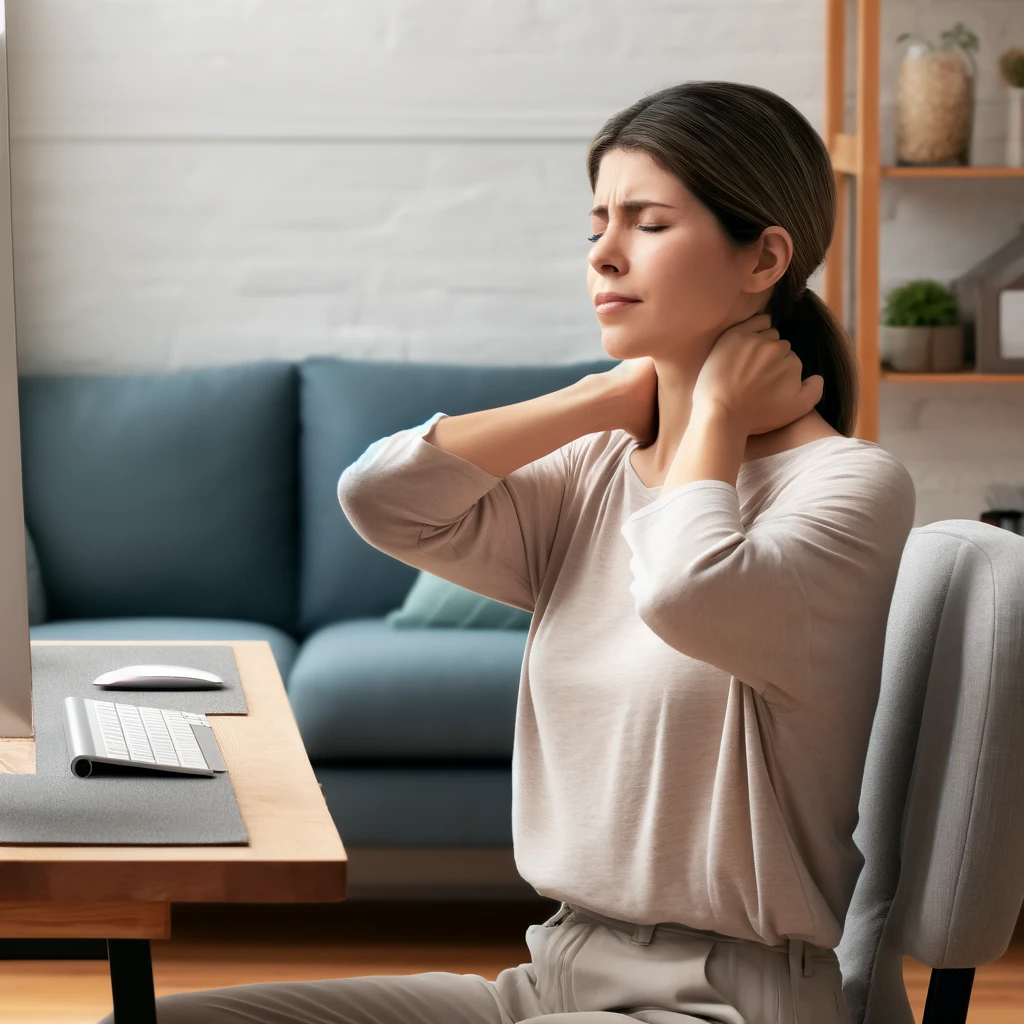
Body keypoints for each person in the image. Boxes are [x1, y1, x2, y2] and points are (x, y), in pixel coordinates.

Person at [115, 80, 915, 1024]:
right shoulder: (595, 469)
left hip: (729, 1003)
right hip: (554, 980)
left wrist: (718, 416)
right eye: (597, 225)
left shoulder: (849, 488)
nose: (605, 255)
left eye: (648, 223)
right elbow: (382, 499)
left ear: (765, 257)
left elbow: (688, 594)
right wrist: (605, 399)